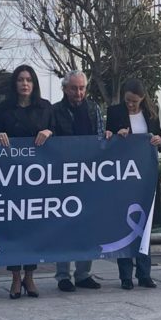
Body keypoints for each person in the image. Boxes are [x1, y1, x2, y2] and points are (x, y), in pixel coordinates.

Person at [0, 65, 53, 299]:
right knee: (15, 226)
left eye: (29, 80)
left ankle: (30, 276)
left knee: (33, 226)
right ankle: (15, 278)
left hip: (37, 177)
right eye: (20, 80)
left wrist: (50, 132)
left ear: (34, 83)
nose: (25, 84)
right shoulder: (4, 109)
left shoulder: (45, 108)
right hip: (11, 177)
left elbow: (58, 135)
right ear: (15, 84)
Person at [105, 79, 161, 290]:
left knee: (145, 224)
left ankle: (144, 273)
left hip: (146, 174)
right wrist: (117, 136)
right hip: (124, 175)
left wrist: (158, 140)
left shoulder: (151, 112)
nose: (131, 105)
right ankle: (125, 275)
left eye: (135, 102)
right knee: (125, 222)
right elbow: (106, 141)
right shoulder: (114, 112)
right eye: (128, 101)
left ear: (143, 99)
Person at [49, 70, 103, 292]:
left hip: (88, 176)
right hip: (63, 177)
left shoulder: (94, 109)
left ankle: (83, 273)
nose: (78, 92)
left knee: (87, 225)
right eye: (74, 88)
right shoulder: (54, 111)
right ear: (64, 88)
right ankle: (63, 275)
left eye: (82, 88)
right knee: (64, 225)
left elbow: (100, 139)